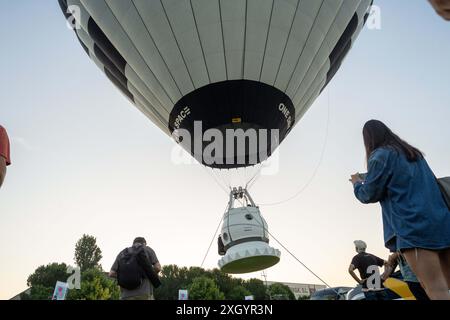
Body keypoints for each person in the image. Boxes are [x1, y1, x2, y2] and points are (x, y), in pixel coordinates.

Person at [350, 120, 450, 300]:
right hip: (442, 222)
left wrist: (356, 182)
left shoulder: (379, 156)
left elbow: (368, 194)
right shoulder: (414, 154)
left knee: (436, 289)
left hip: (413, 228)